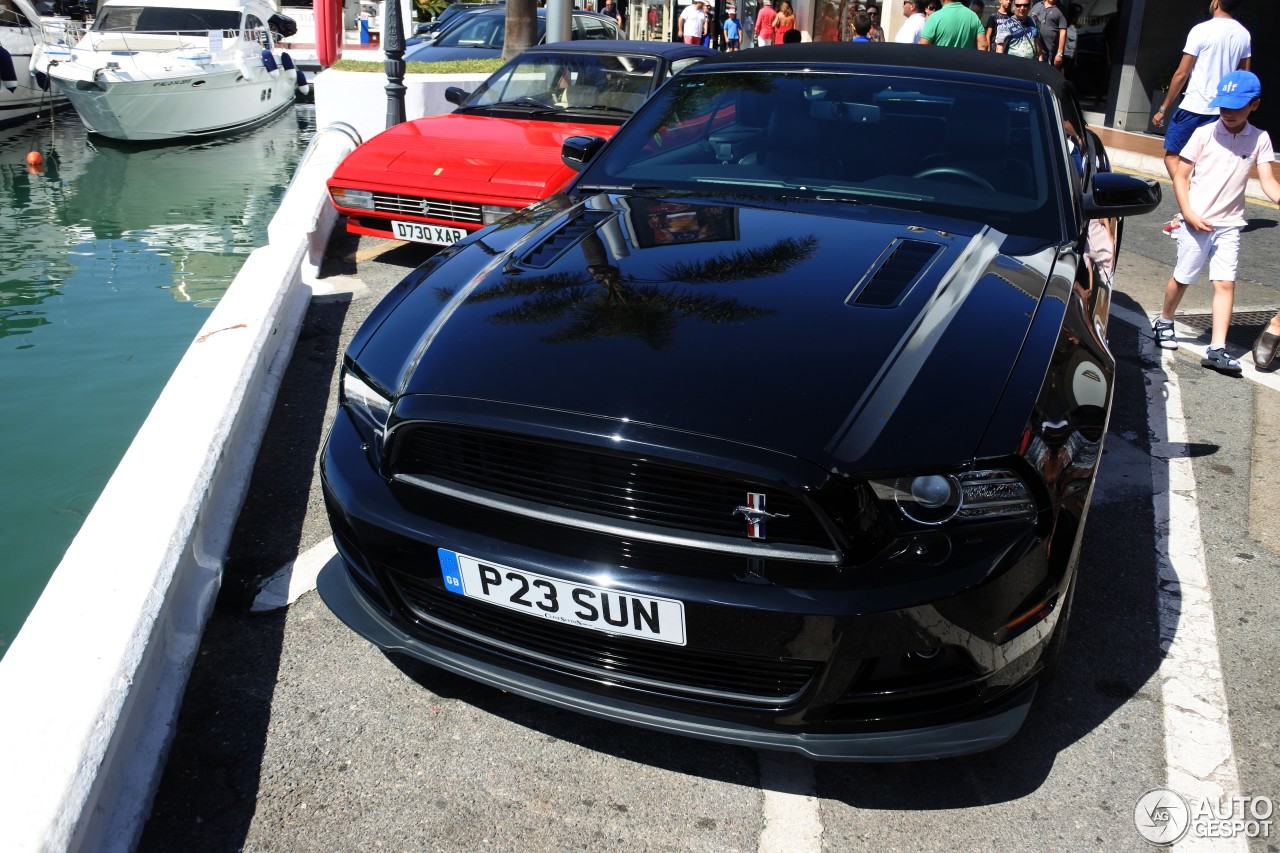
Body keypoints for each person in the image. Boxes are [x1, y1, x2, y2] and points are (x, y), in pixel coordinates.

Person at [1152, 71, 1280, 374]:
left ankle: (1217, 348)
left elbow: (1269, 183)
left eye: (1236, 107)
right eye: (1223, 107)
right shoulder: (1204, 133)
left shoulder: (1260, 138)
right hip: (1196, 221)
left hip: (1230, 224)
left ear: (1255, 105)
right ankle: (1165, 319)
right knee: (1183, 278)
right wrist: (1189, 213)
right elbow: (1181, 176)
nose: (1228, 113)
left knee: (1225, 283)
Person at [1153, 0, 1251, 237]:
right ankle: (1194, 212)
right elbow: (1245, 76)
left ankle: (1187, 212)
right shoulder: (1243, 34)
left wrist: (1164, 106)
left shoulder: (1201, 30)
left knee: (1173, 158)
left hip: (1194, 106)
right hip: (1221, 110)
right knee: (1202, 165)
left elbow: (1182, 72)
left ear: (1216, 2)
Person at [1029, 0, 1066, 69]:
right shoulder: (1037, 5)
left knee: (1043, 76)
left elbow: (1063, 32)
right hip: (1032, 50)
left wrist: (1059, 54)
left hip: (1048, 53)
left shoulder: (1061, 10)